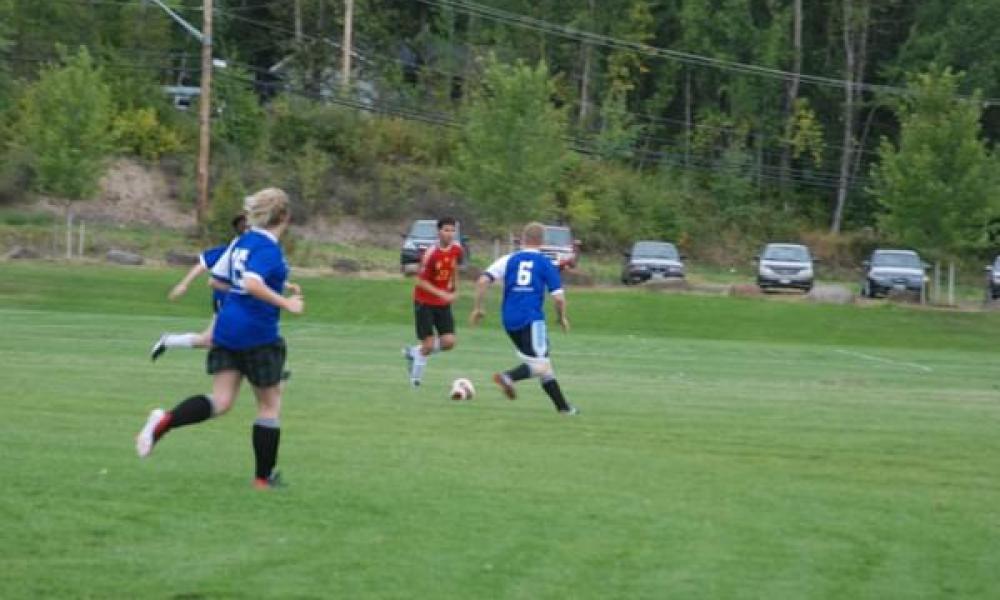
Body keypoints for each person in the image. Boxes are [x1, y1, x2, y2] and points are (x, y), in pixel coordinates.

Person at [135, 188, 304, 489]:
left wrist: (258, 292)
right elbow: (251, 283)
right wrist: (285, 302)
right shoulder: (268, 249)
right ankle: (263, 480)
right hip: (258, 333)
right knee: (269, 406)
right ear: (285, 217)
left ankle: (165, 420)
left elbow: (216, 280)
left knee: (221, 401)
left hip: (227, 327)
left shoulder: (241, 242)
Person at [470, 222, 578, 415]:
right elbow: (559, 299)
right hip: (532, 319)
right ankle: (508, 377)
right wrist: (562, 317)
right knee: (540, 365)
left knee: (543, 363)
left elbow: (482, 280)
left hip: (510, 320)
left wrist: (478, 308)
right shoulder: (545, 263)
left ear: (522, 239)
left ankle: (563, 408)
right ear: (542, 241)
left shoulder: (508, 259)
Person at [150, 214, 249, 361]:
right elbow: (202, 266)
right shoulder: (227, 251)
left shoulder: (255, 252)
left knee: (209, 340)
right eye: (245, 227)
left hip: (240, 302)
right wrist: (184, 284)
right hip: (225, 302)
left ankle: (168, 340)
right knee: (235, 338)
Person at [403, 217, 463, 387]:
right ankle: (415, 382)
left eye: (452, 230)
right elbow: (420, 281)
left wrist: (455, 289)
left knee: (449, 342)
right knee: (428, 345)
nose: (450, 233)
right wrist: (441, 293)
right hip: (425, 302)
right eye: (446, 230)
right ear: (439, 232)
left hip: (442, 304)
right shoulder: (431, 253)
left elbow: (454, 268)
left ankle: (414, 352)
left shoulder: (457, 250)